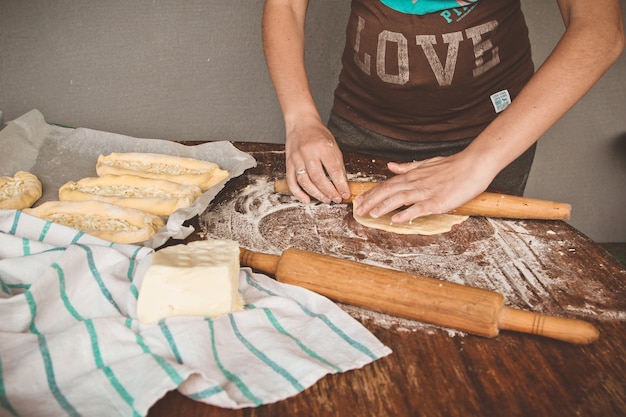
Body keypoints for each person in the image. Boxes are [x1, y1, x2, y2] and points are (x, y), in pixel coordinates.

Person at [262, 0, 624, 225]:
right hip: (361, 124)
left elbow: (599, 29)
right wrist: (300, 119)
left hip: (490, 135)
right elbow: (286, 5)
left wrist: (479, 161)